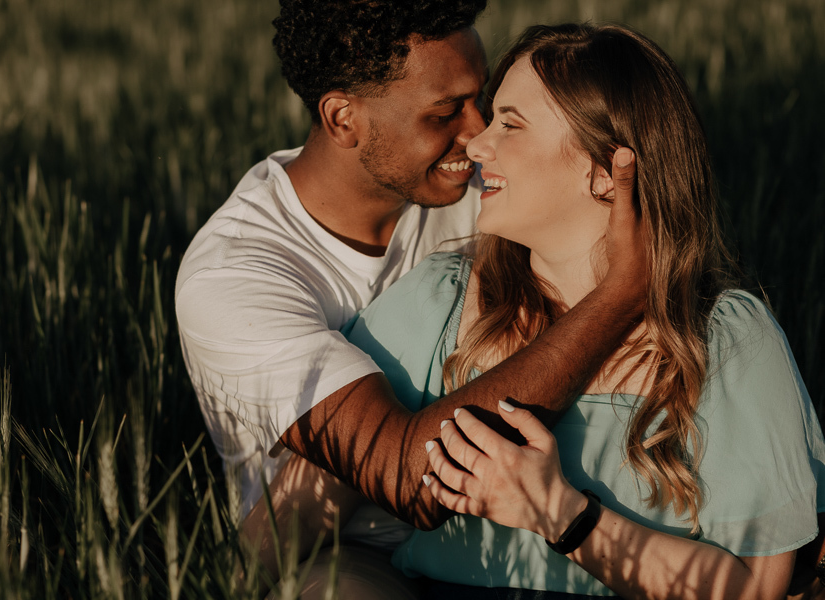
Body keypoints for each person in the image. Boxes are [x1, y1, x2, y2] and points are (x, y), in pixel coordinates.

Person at [329, 22, 825, 598]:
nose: (477, 144)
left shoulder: (722, 337)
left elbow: (757, 586)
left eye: (510, 124)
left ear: (607, 170)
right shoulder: (440, 300)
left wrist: (562, 515)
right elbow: (311, 498)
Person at [175, 1, 648, 595]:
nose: (478, 136)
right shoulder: (235, 276)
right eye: (446, 112)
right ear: (343, 117)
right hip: (349, 550)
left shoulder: (487, 186)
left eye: (486, 103)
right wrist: (617, 298)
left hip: (529, 522)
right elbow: (403, 479)